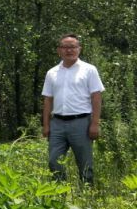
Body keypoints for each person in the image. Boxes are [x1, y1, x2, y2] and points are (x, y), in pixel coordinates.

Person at [42, 33, 104, 184]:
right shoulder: (52, 73)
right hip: (57, 123)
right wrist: (46, 125)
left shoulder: (89, 70)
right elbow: (48, 100)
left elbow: (96, 97)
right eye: (65, 47)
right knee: (53, 161)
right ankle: (59, 194)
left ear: (79, 49)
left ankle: (87, 196)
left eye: (73, 47)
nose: (69, 50)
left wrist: (95, 123)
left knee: (85, 163)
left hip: (81, 122)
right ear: (59, 50)